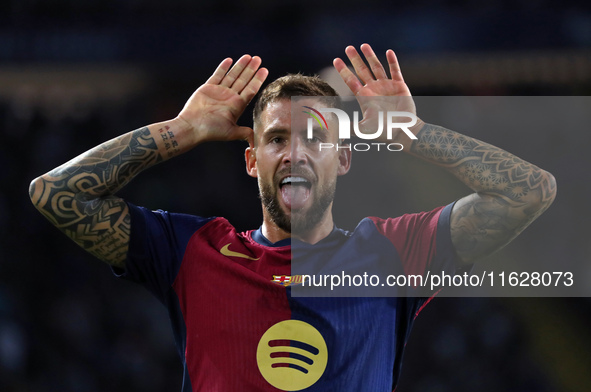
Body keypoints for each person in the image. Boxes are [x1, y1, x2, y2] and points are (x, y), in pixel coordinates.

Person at [29, 44, 556, 391]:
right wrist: (181, 131)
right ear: (252, 159)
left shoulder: (392, 253)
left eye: (315, 139)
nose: (295, 154)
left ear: (344, 158)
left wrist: (410, 130)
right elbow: (55, 194)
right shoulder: (193, 251)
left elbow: (530, 192)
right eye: (277, 139)